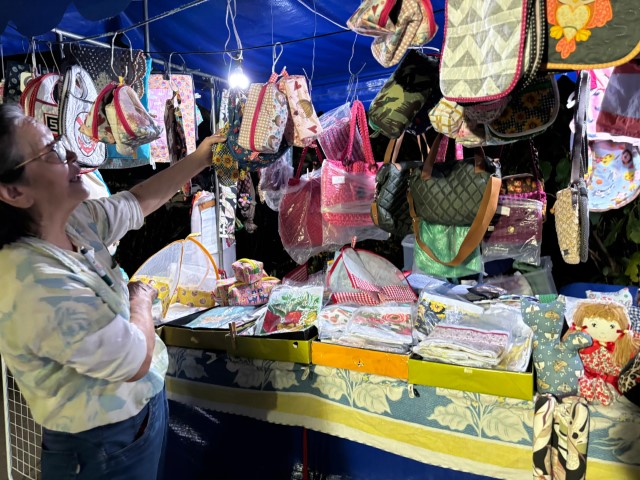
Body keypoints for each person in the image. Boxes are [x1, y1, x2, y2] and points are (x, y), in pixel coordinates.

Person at [0, 104, 226, 479]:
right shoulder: (33, 283)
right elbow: (135, 359)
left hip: (136, 417)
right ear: (13, 191)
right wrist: (141, 297)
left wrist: (200, 158)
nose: (71, 155)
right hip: (100, 444)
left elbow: (137, 201)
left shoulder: (75, 222)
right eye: (51, 151)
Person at [567, 301, 640, 405]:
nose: (602, 332)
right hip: (585, 375)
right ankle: (587, 387)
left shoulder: (624, 346)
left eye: (612, 326)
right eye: (594, 325)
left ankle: (601, 389)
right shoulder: (580, 341)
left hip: (613, 380)